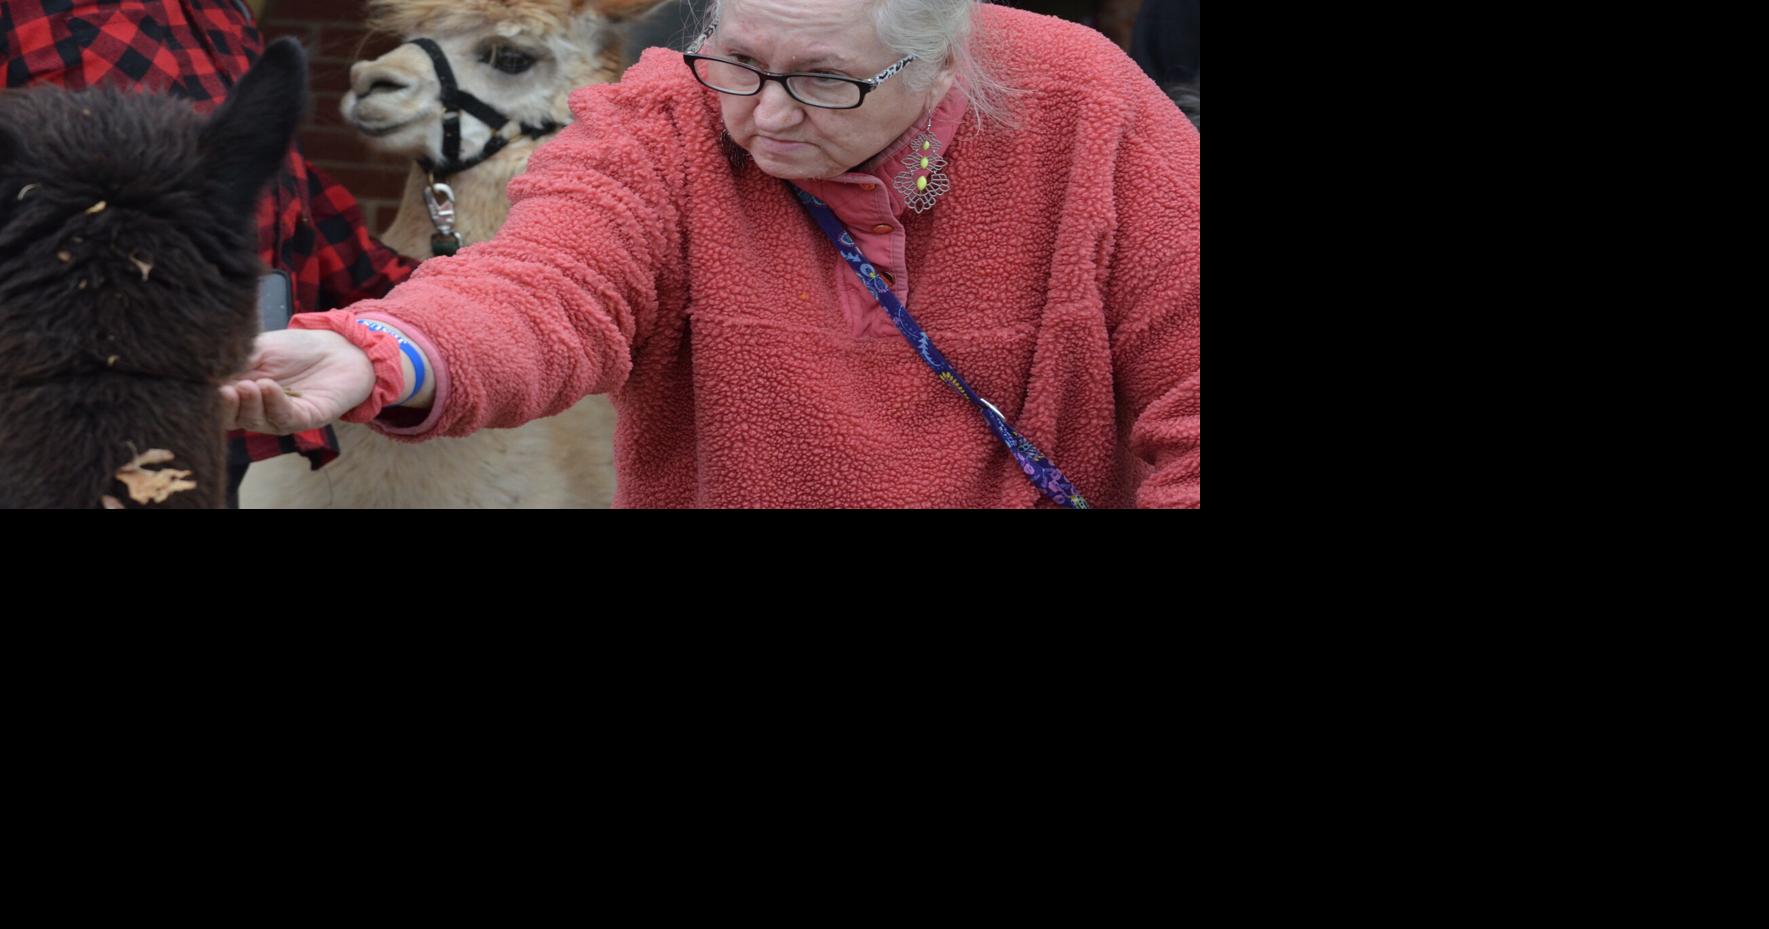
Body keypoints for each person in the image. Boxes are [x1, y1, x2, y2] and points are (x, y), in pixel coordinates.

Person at [221, 0, 1200, 507]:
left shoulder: (1085, 112)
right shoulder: (666, 120)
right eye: (739, 60)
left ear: (946, 57)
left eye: (825, 81)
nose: (763, 116)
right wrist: (383, 349)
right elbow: (547, 282)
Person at [1, 0, 418, 505]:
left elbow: (288, 201)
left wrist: (431, 311)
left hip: (208, 402)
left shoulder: (221, 16)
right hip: (37, 406)